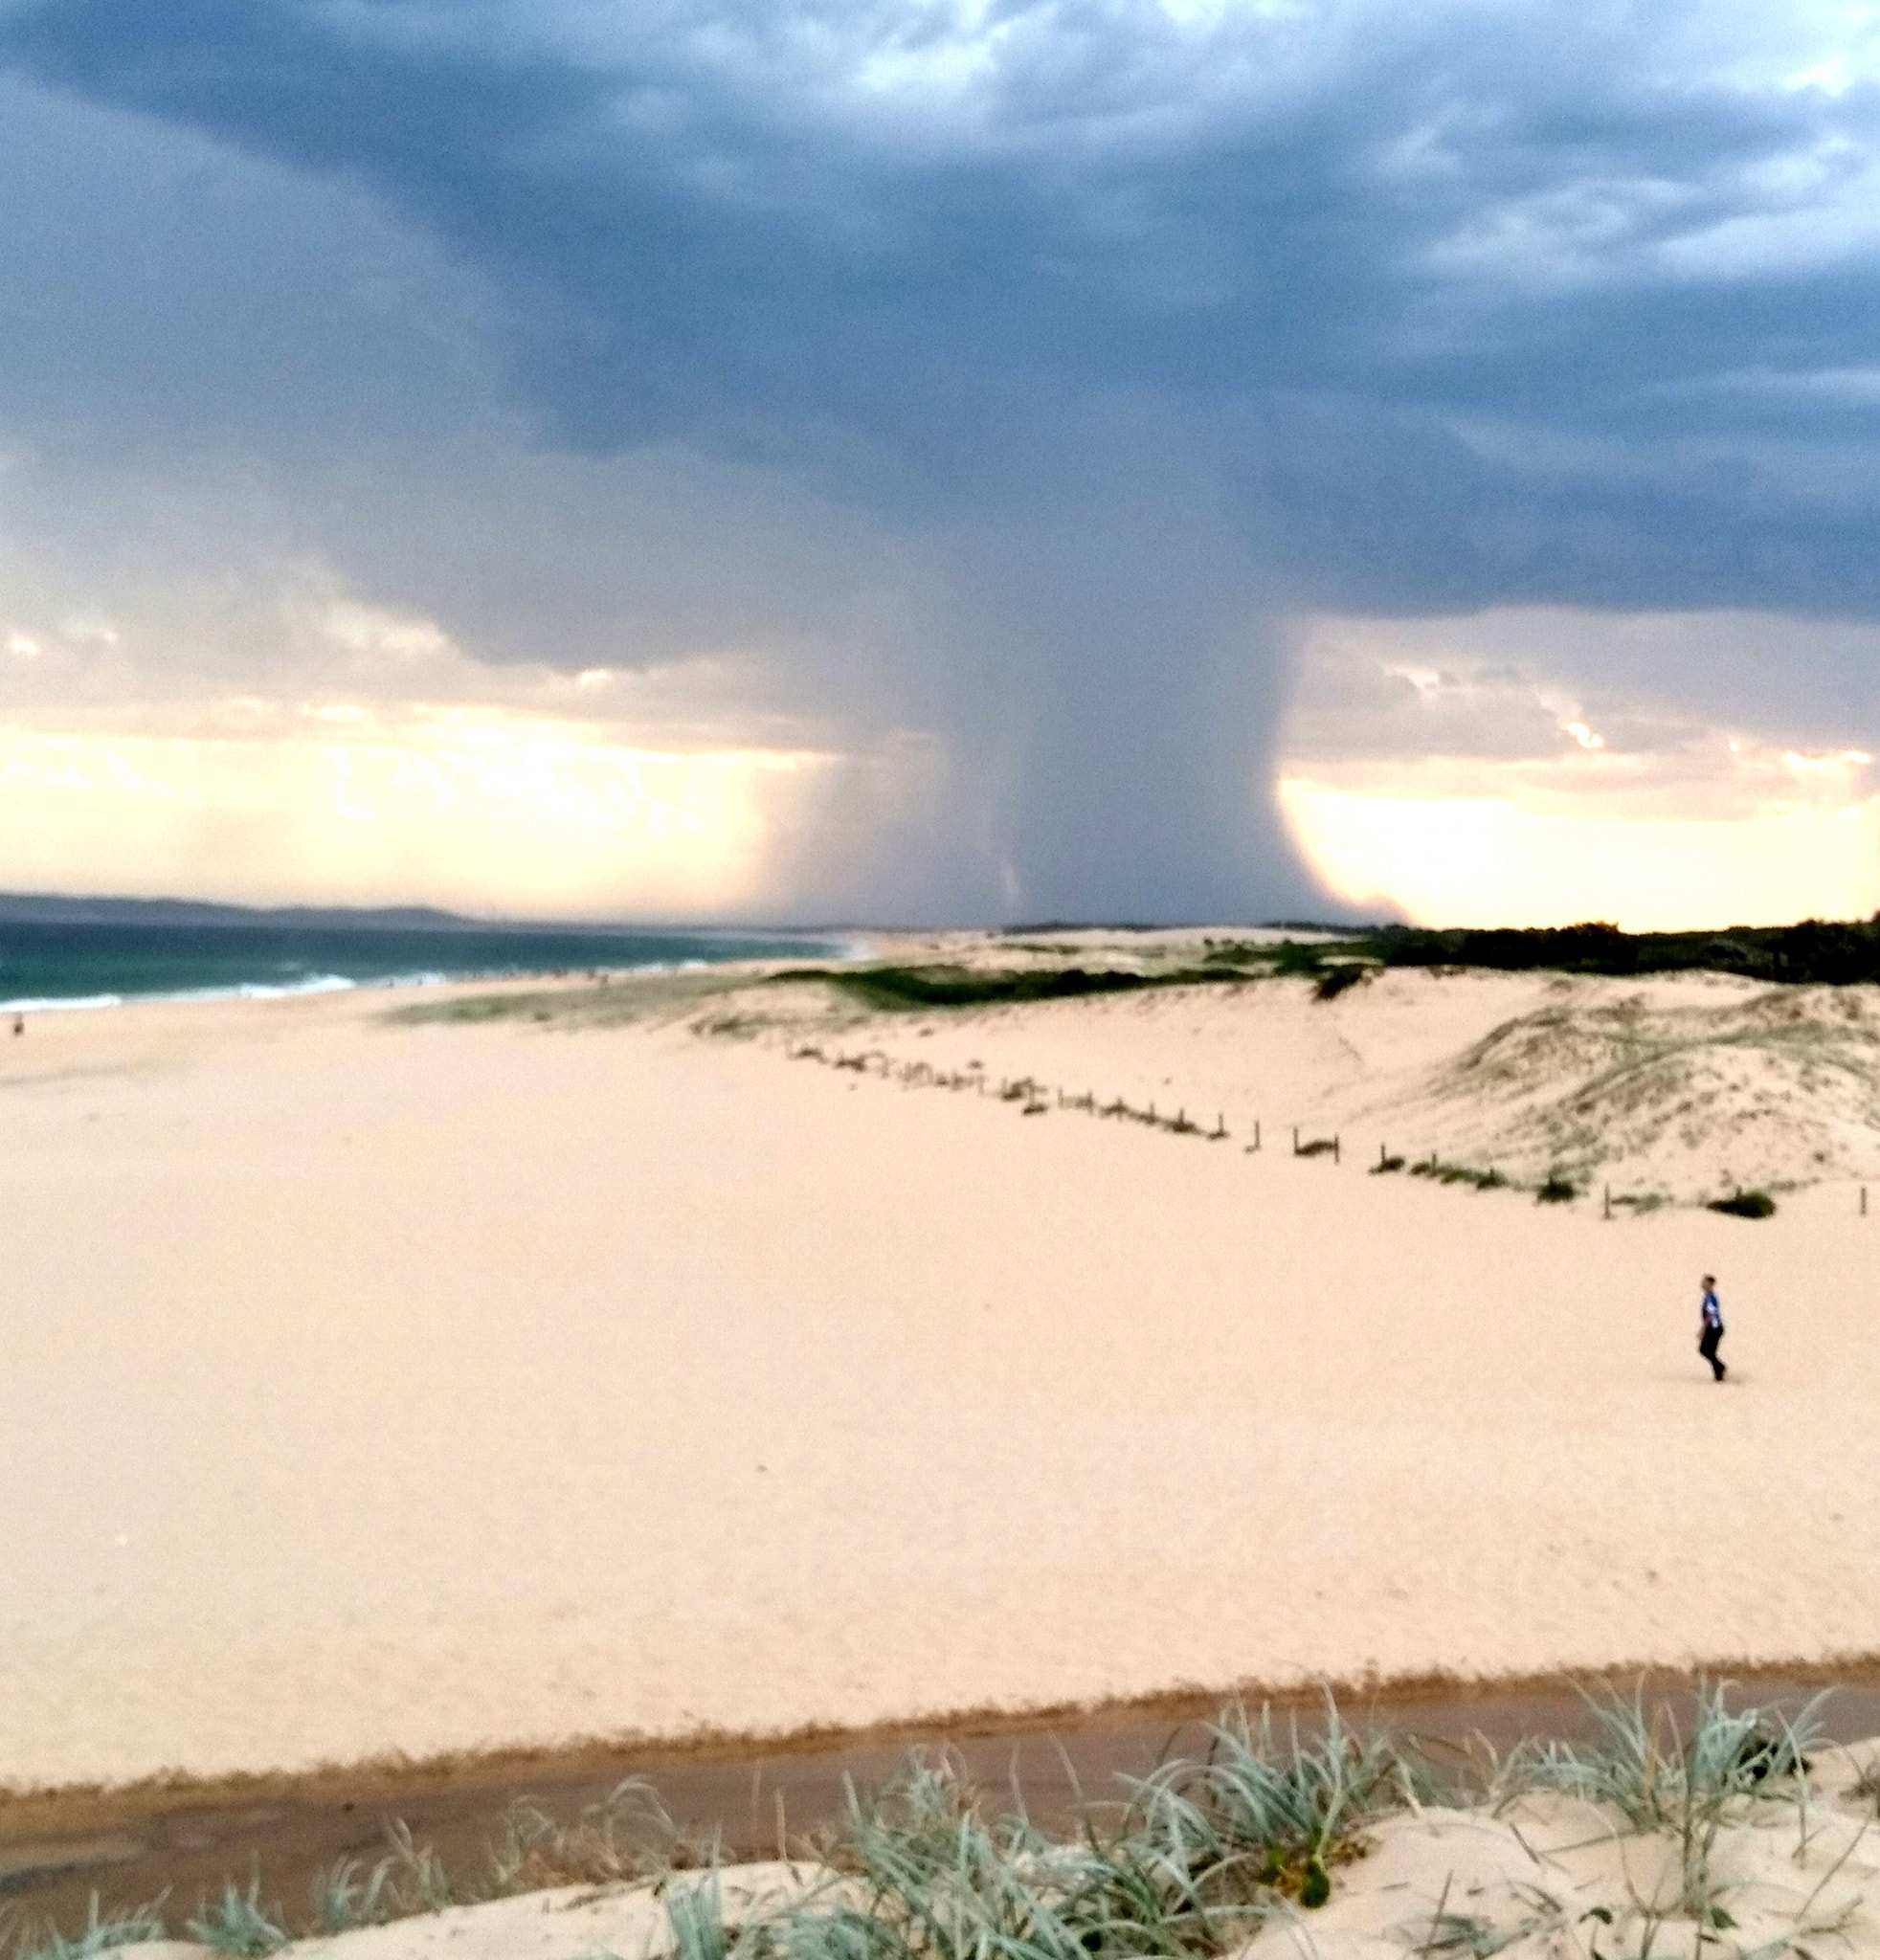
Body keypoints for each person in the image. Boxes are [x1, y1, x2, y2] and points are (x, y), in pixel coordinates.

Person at [1698, 1273, 1725, 1383]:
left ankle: (1720, 1370)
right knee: (1708, 1351)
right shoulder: (1708, 1296)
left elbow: (1711, 1314)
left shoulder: (1710, 1298)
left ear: (1709, 1284)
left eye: (1704, 1282)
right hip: (1713, 1328)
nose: (1702, 1284)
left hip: (1714, 1329)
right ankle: (1719, 1371)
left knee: (1705, 1350)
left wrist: (1703, 1329)